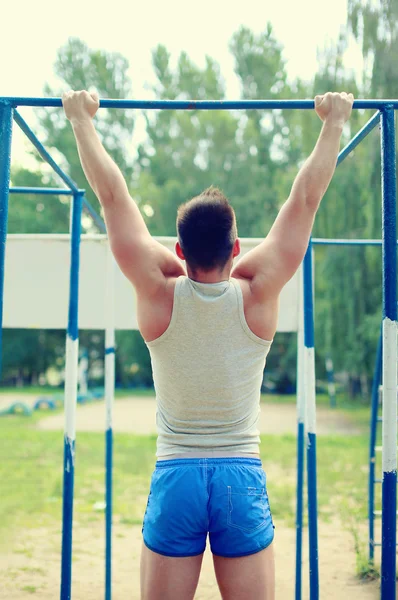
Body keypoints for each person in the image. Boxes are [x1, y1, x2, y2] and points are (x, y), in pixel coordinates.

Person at [62, 90, 353, 600]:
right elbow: (304, 200)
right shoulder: (257, 291)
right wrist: (332, 123)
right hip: (240, 475)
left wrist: (82, 120)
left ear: (178, 250)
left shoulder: (158, 291)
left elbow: (112, 198)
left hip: (177, 475)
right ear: (237, 248)